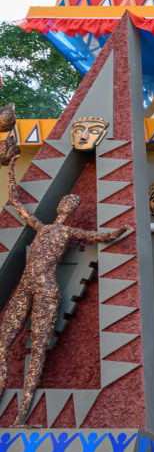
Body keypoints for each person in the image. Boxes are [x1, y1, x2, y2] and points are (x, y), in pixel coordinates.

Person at [0, 157, 130, 425]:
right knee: (2, 345)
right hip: (26, 286)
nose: (65, 205)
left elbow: (101, 236)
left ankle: (20, 418)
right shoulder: (42, 227)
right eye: (64, 202)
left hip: (47, 288)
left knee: (37, 351)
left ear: (72, 210)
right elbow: (16, 202)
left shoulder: (70, 232)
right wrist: (10, 169)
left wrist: (123, 227)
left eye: (70, 204)